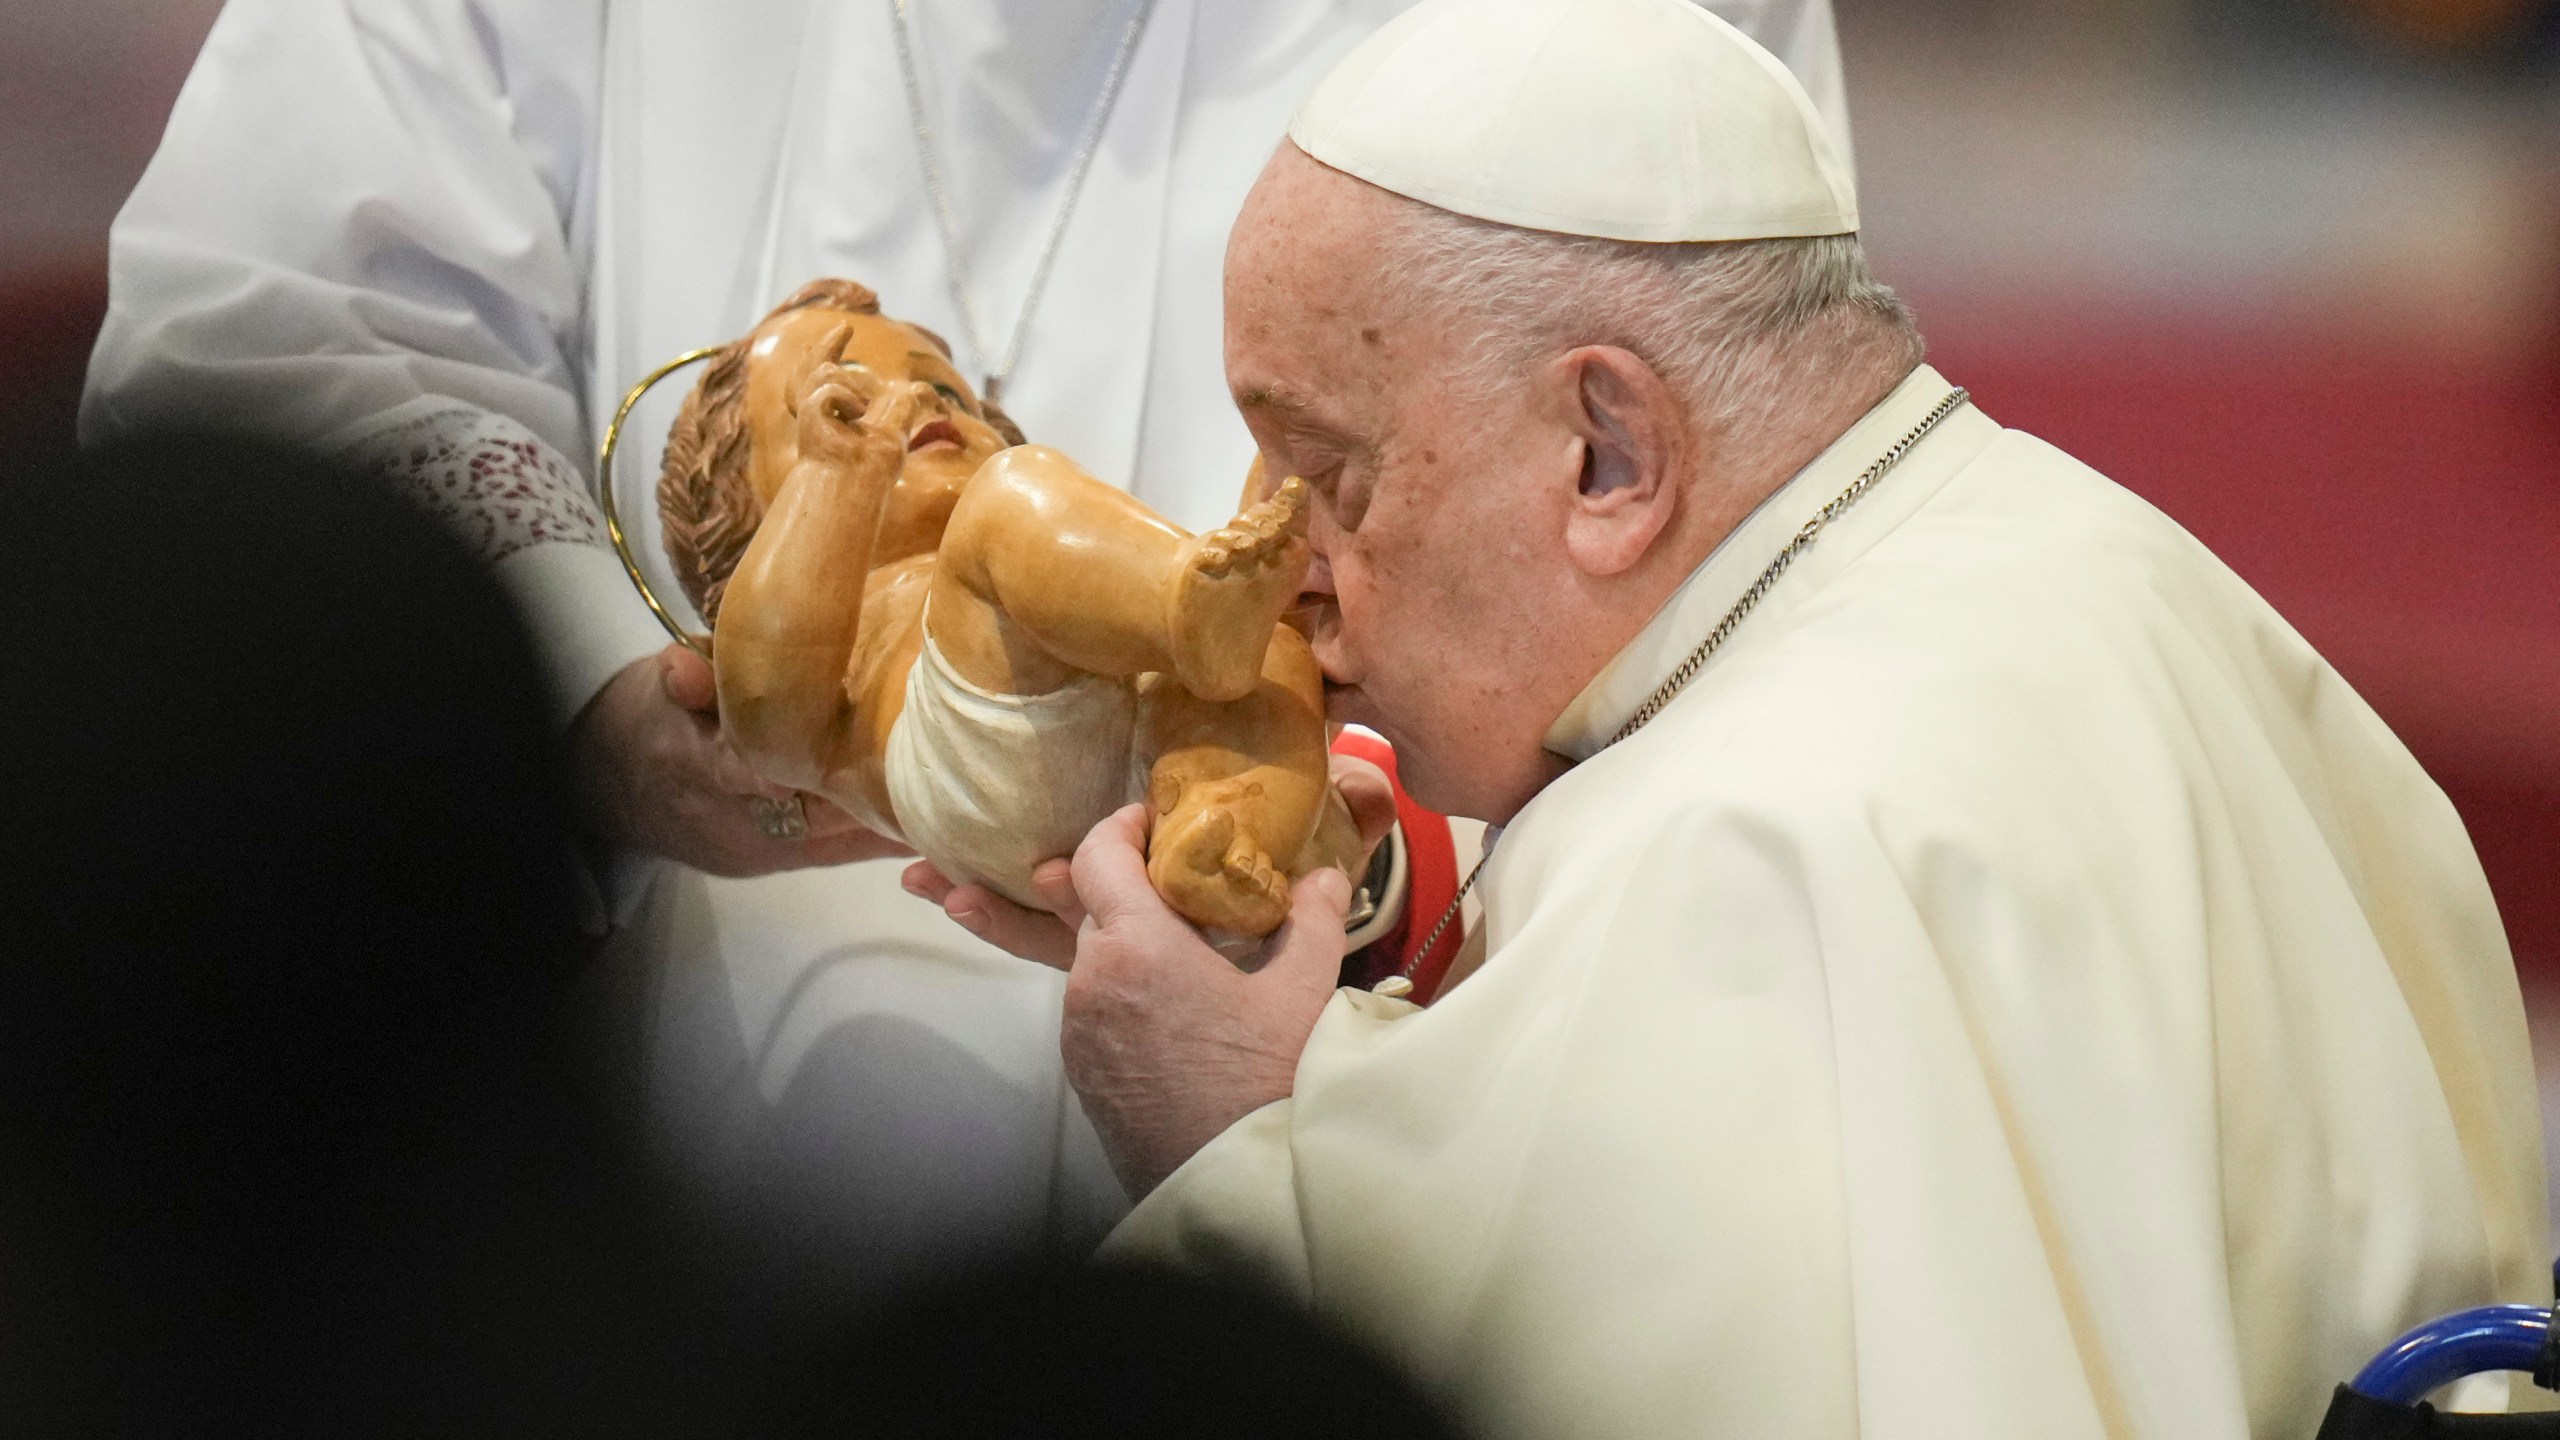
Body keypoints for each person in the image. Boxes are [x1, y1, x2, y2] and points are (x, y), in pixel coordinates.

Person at [80, 0, 1852, 1292]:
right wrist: (600, 703)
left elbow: (1705, 477)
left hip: (1353, 1129)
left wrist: (1378, 863)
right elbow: (289, 337)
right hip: (686, 1149)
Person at [994, 1, 2554, 1435]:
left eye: (1326, 473)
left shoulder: (1752, 848)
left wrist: (1226, 1135)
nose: (1279, 577)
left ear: (1611, 454)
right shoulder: (2121, 572)